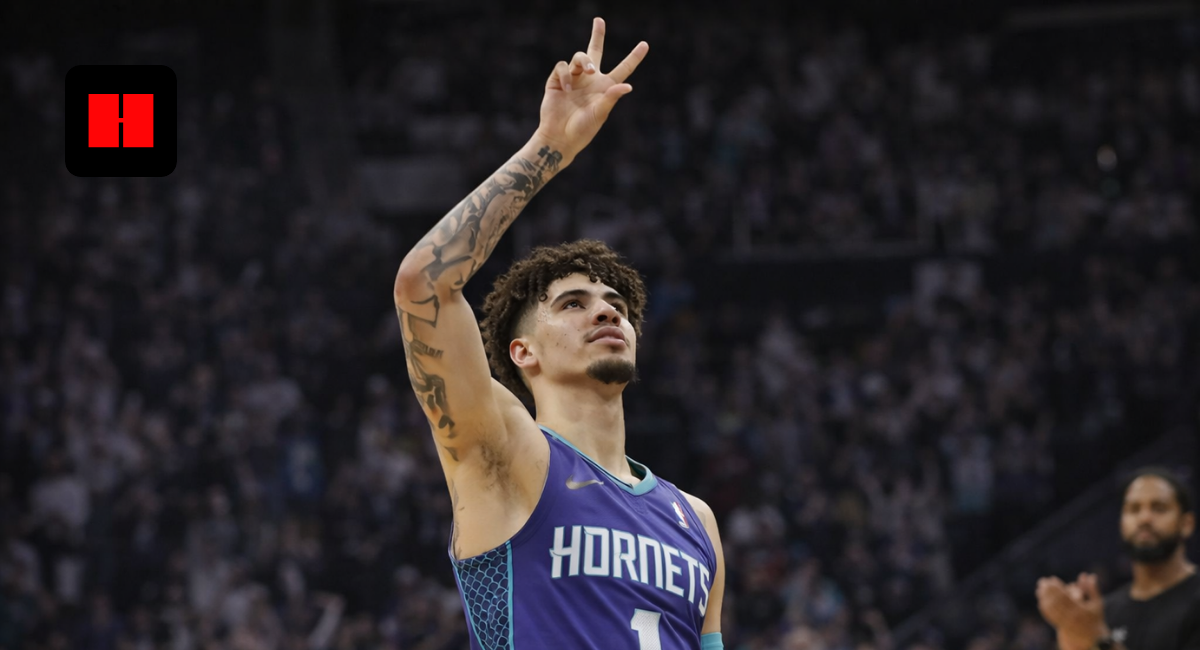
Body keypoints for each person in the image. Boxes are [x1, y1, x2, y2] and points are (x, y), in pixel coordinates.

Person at [392, 17, 725, 650]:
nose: (607, 313)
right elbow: (422, 285)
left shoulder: (697, 520)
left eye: (616, 303)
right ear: (523, 353)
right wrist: (552, 147)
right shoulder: (506, 452)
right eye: (573, 303)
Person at [1036, 467, 1199, 650]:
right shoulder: (1105, 611)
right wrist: (1070, 632)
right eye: (1133, 509)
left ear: (1187, 524)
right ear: (1121, 523)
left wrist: (1098, 638)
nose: (1144, 518)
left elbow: (1097, 637)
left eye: (1159, 508)